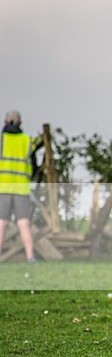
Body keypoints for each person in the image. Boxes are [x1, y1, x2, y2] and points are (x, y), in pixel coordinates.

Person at [0, 110, 37, 262]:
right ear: (20, 123)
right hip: (22, 188)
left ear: (5, 122)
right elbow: (33, 166)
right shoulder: (27, 141)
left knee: (1, 224)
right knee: (23, 223)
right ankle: (30, 258)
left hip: (3, 188)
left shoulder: (1, 140)